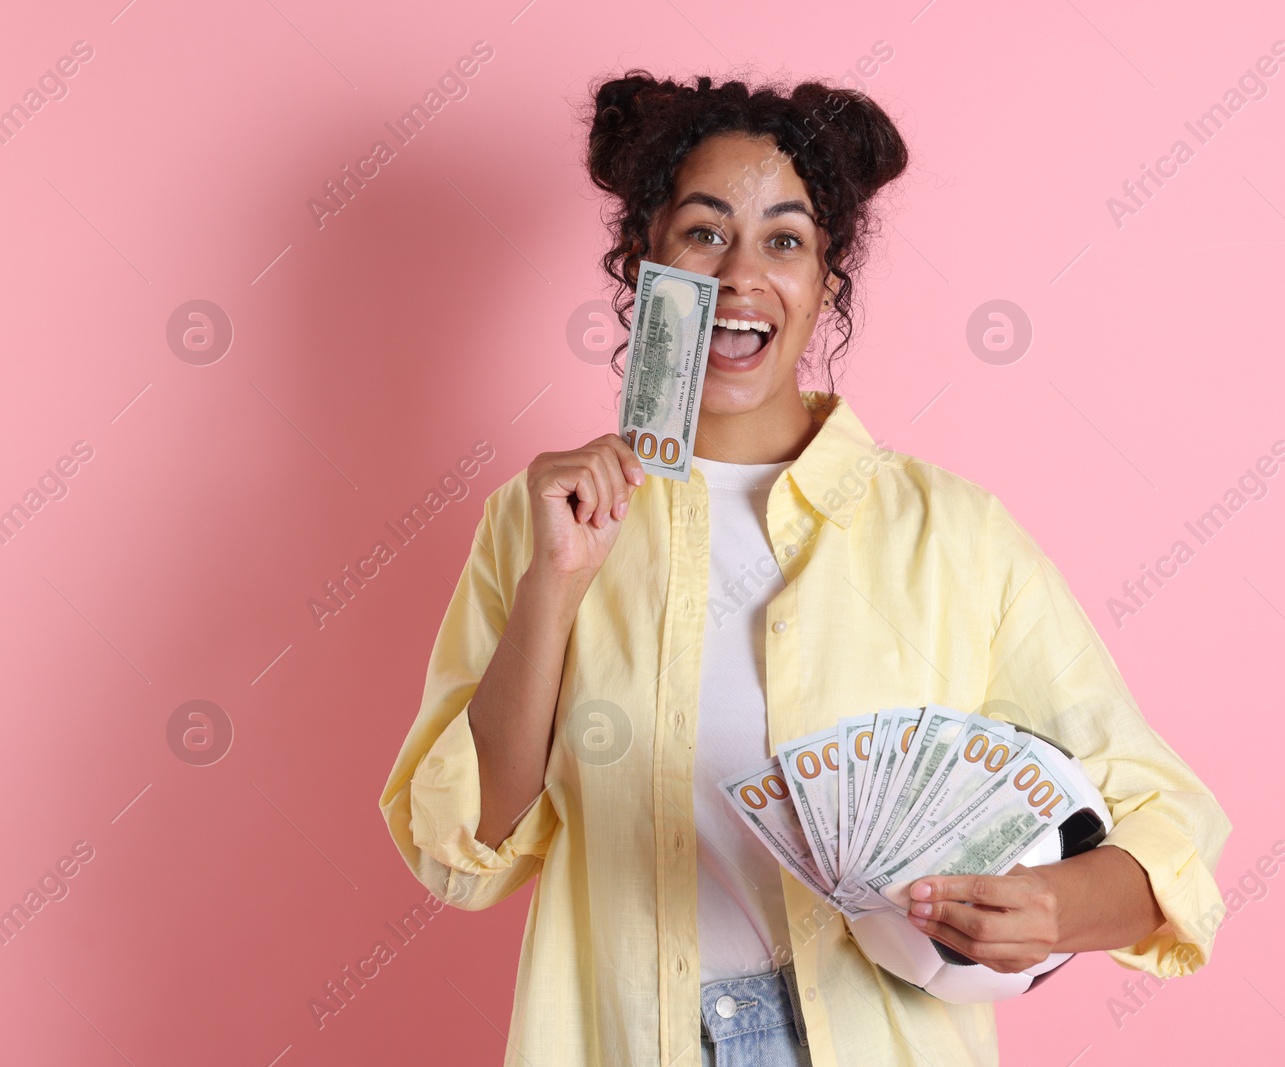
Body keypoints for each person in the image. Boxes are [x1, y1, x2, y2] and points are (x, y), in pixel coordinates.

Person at [379, 71, 1231, 1067]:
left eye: (784, 239)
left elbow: (1163, 819)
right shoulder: (543, 520)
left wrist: (1048, 907)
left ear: (827, 279)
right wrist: (556, 583)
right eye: (704, 230)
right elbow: (464, 847)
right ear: (646, 255)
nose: (742, 273)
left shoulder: (952, 535)